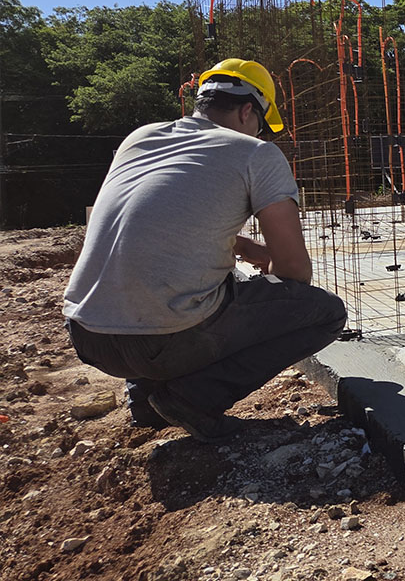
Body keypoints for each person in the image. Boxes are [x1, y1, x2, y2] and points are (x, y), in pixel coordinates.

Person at [63, 58, 347, 443]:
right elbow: (296, 271)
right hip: (161, 341)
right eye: (261, 125)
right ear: (247, 111)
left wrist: (244, 246)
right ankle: (193, 398)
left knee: (166, 288)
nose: (260, 135)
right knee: (324, 312)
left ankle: (146, 402)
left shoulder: (139, 138)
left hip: (87, 333)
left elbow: (151, 224)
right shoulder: (257, 154)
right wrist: (274, 282)